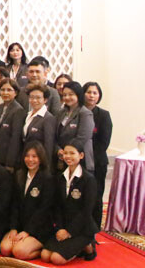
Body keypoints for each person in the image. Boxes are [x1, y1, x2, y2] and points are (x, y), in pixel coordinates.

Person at [41, 140, 98, 264]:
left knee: (56, 259)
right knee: (45, 255)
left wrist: (69, 232)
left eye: (72, 153)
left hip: (82, 228)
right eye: (65, 153)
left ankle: (88, 245)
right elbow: (57, 206)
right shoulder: (60, 177)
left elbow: (87, 211)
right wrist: (60, 228)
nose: (68, 156)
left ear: (81, 155)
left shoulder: (88, 179)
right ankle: (78, 247)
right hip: (64, 226)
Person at [0, 141, 54, 260]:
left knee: (19, 252)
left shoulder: (47, 178)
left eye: (34, 156)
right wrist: (14, 228)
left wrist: (28, 231)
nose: (30, 159)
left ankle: (41, 249)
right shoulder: (19, 175)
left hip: (38, 229)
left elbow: (44, 210)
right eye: (27, 156)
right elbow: (14, 204)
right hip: (20, 226)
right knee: (5, 249)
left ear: (41, 158)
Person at [83, 81, 112, 227]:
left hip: (97, 162)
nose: (91, 95)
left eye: (95, 93)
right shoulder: (77, 112)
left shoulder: (104, 115)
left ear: (99, 96)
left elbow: (103, 143)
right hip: (78, 160)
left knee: (96, 195)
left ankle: (94, 228)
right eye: (88, 92)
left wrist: (89, 158)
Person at [55, 81, 95, 173]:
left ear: (78, 95)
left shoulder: (85, 113)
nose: (67, 97)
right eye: (64, 95)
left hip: (80, 159)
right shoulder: (61, 113)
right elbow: (55, 135)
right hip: (62, 159)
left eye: (71, 94)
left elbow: (82, 138)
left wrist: (67, 152)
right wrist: (58, 150)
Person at [0, 78, 25, 172]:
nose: (5, 93)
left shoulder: (18, 110)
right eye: (2, 90)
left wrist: (10, 163)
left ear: (15, 92)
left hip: (8, 158)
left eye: (9, 90)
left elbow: (15, 138)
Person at [22, 85, 57, 159]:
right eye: (31, 97)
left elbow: (48, 146)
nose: (34, 100)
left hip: (40, 160)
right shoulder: (27, 115)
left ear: (45, 100)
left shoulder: (48, 118)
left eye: (38, 98)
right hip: (28, 158)